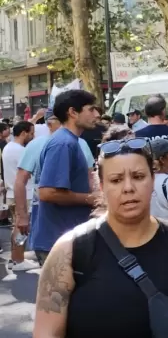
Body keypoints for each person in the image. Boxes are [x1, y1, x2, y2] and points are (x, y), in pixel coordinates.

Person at [31, 137, 168, 338]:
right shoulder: (71, 249)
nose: (128, 188)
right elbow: (48, 336)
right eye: (115, 179)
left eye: (138, 176)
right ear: (101, 186)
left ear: (153, 180)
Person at [32, 90, 99, 266]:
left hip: (65, 238)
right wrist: (92, 199)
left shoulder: (69, 141)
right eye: (91, 110)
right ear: (73, 112)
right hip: (57, 241)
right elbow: (47, 193)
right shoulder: (63, 143)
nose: (97, 115)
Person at [3, 120, 36, 271]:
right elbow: (28, 174)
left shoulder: (9, 147)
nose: (33, 136)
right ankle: (18, 260)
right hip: (24, 194)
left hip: (12, 192)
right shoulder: (21, 151)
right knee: (21, 227)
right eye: (31, 133)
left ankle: (15, 259)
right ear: (23, 133)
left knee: (16, 226)